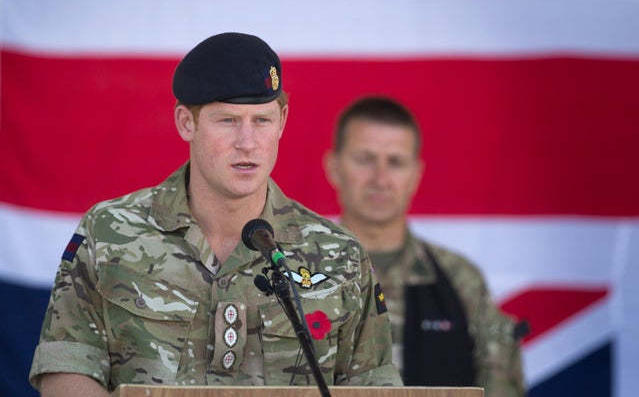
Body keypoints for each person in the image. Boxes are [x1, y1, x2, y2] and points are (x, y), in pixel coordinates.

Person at [29, 33, 402, 396]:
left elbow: (375, 386)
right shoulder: (108, 233)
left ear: (283, 122)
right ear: (186, 123)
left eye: (262, 120)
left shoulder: (341, 255)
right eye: (227, 120)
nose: (247, 142)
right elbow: (66, 369)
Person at [323, 95, 526, 395]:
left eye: (395, 162)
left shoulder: (460, 282)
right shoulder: (295, 274)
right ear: (334, 167)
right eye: (365, 159)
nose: (380, 179)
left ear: (415, 176)